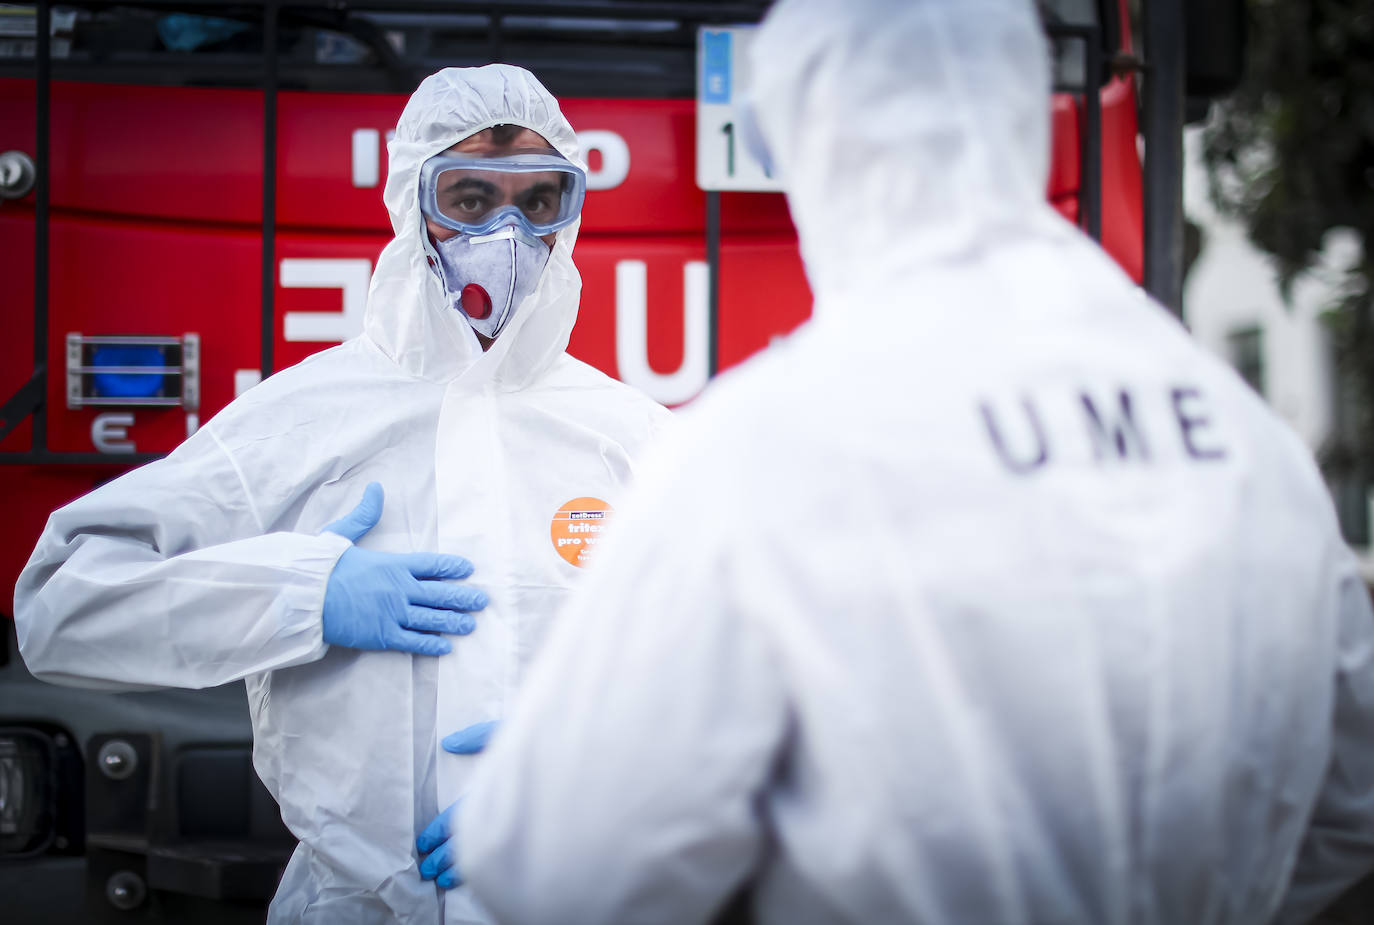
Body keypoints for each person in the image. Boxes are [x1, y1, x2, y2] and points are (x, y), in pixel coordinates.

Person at [413, 2, 1374, 923]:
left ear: (796, 139)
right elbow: (1352, 802)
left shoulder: (762, 450)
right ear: (1025, 108)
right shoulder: (1245, 441)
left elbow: (556, 875)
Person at [15, 64, 671, 924]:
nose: (507, 233)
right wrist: (299, 593)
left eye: (540, 201)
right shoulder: (301, 421)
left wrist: (588, 774)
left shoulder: (635, 439)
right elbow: (61, 605)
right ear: (411, 205)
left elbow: (752, 676)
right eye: (468, 198)